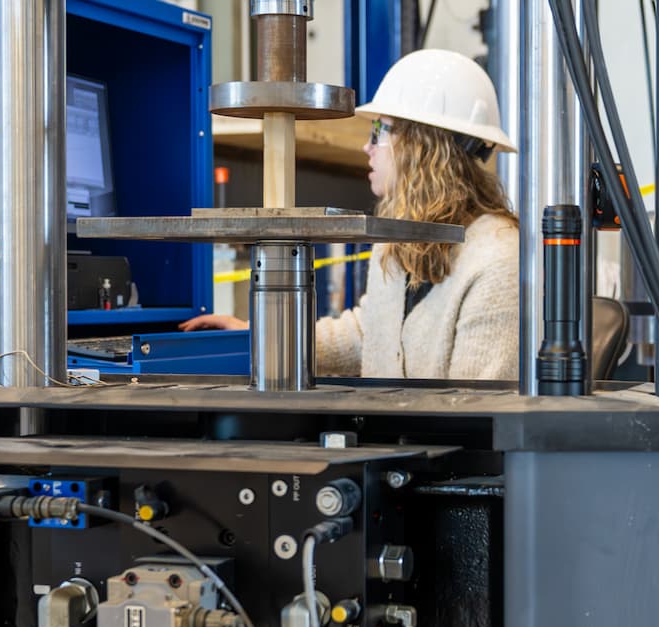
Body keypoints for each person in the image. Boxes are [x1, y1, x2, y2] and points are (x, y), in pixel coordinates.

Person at [182, 49, 520, 380]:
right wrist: (260, 334)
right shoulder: (398, 241)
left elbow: (479, 411)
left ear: (423, 147)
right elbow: (371, 333)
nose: (367, 147)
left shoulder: (497, 259)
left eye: (380, 130)